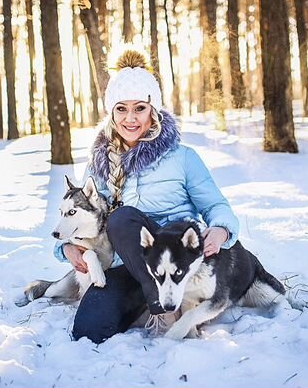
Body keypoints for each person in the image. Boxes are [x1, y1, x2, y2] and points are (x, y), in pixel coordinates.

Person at [53, 48, 239, 344]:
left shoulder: (182, 158)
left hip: (174, 261)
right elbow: (83, 217)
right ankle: (148, 297)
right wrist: (66, 249)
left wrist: (221, 229)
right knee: (90, 329)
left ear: (154, 110)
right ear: (111, 112)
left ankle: (163, 305)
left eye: (140, 108)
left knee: (122, 218)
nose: (130, 118)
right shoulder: (99, 165)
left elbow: (217, 206)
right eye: (121, 109)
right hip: (124, 266)